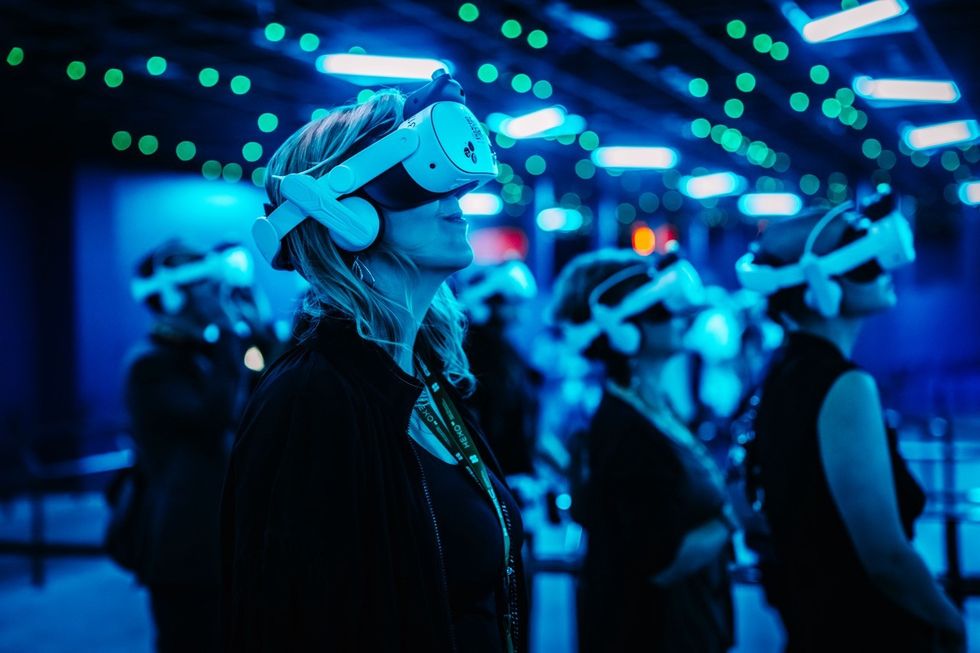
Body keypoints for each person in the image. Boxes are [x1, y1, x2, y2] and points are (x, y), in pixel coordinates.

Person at [221, 72, 527, 652]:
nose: (458, 206)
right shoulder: (312, 399)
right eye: (428, 184)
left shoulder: (423, 380)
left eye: (458, 188)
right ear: (347, 214)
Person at [736, 189, 966, 652]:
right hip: (864, 630)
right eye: (865, 263)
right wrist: (951, 623)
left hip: (814, 625)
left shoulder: (783, 372)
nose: (884, 271)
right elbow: (884, 556)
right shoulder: (844, 386)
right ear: (823, 286)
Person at [551, 249, 735, 652]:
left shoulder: (655, 407)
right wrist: (731, 516)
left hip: (687, 625)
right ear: (625, 330)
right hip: (649, 632)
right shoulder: (623, 427)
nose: (680, 319)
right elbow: (660, 560)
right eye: (661, 311)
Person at [120, 239, 249, 652]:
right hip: (184, 543)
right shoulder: (152, 364)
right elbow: (211, 421)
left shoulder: (199, 353)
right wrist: (228, 332)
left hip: (213, 532)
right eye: (205, 285)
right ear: (174, 297)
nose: (218, 292)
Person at [457, 260, 540, 476]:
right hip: (498, 471)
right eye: (513, 303)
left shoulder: (505, 349)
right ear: (488, 304)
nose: (519, 313)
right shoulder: (477, 352)